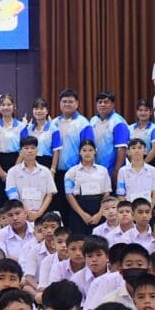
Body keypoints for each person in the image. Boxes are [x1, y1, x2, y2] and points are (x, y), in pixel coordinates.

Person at [52, 89, 94, 220]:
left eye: (70, 101)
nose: (67, 104)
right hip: (58, 172)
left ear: (77, 103)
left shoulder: (83, 123)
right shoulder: (54, 123)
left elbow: (89, 148)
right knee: (62, 207)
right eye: (64, 101)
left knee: (77, 208)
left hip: (77, 172)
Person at [64, 139, 111, 236]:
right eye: (84, 150)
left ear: (95, 151)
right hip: (79, 208)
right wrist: (82, 214)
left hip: (99, 207)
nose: (87, 153)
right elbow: (69, 195)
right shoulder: (72, 172)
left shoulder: (103, 170)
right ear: (79, 152)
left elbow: (107, 193)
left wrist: (100, 214)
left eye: (90, 150)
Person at [5, 136, 57, 221]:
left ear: (37, 151)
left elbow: (49, 194)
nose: (30, 151)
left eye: (33, 148)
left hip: (42, 216)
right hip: (20, 216)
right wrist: (28, 212)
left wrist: (39, 213)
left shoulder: (45, 171)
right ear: (21, 151)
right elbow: (13, 196)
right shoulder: (12, 172)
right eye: (26, 148)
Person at [0, 93, 24, 207]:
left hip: (16, 162)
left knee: (15, 198)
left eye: (9, 104)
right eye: (3, 105)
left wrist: (13, 170)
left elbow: (23, 149)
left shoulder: (21, 126)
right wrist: (0, 171)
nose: (6, 107)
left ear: (14, 106)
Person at [89, 91, 129, 182]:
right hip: (95, 170)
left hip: (112, 171)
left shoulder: (118, 122)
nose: (102, 104)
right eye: (100, 102)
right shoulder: (93, 120)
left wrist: (117, 170)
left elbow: (122, 149)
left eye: (106, 102)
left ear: (113, 104)